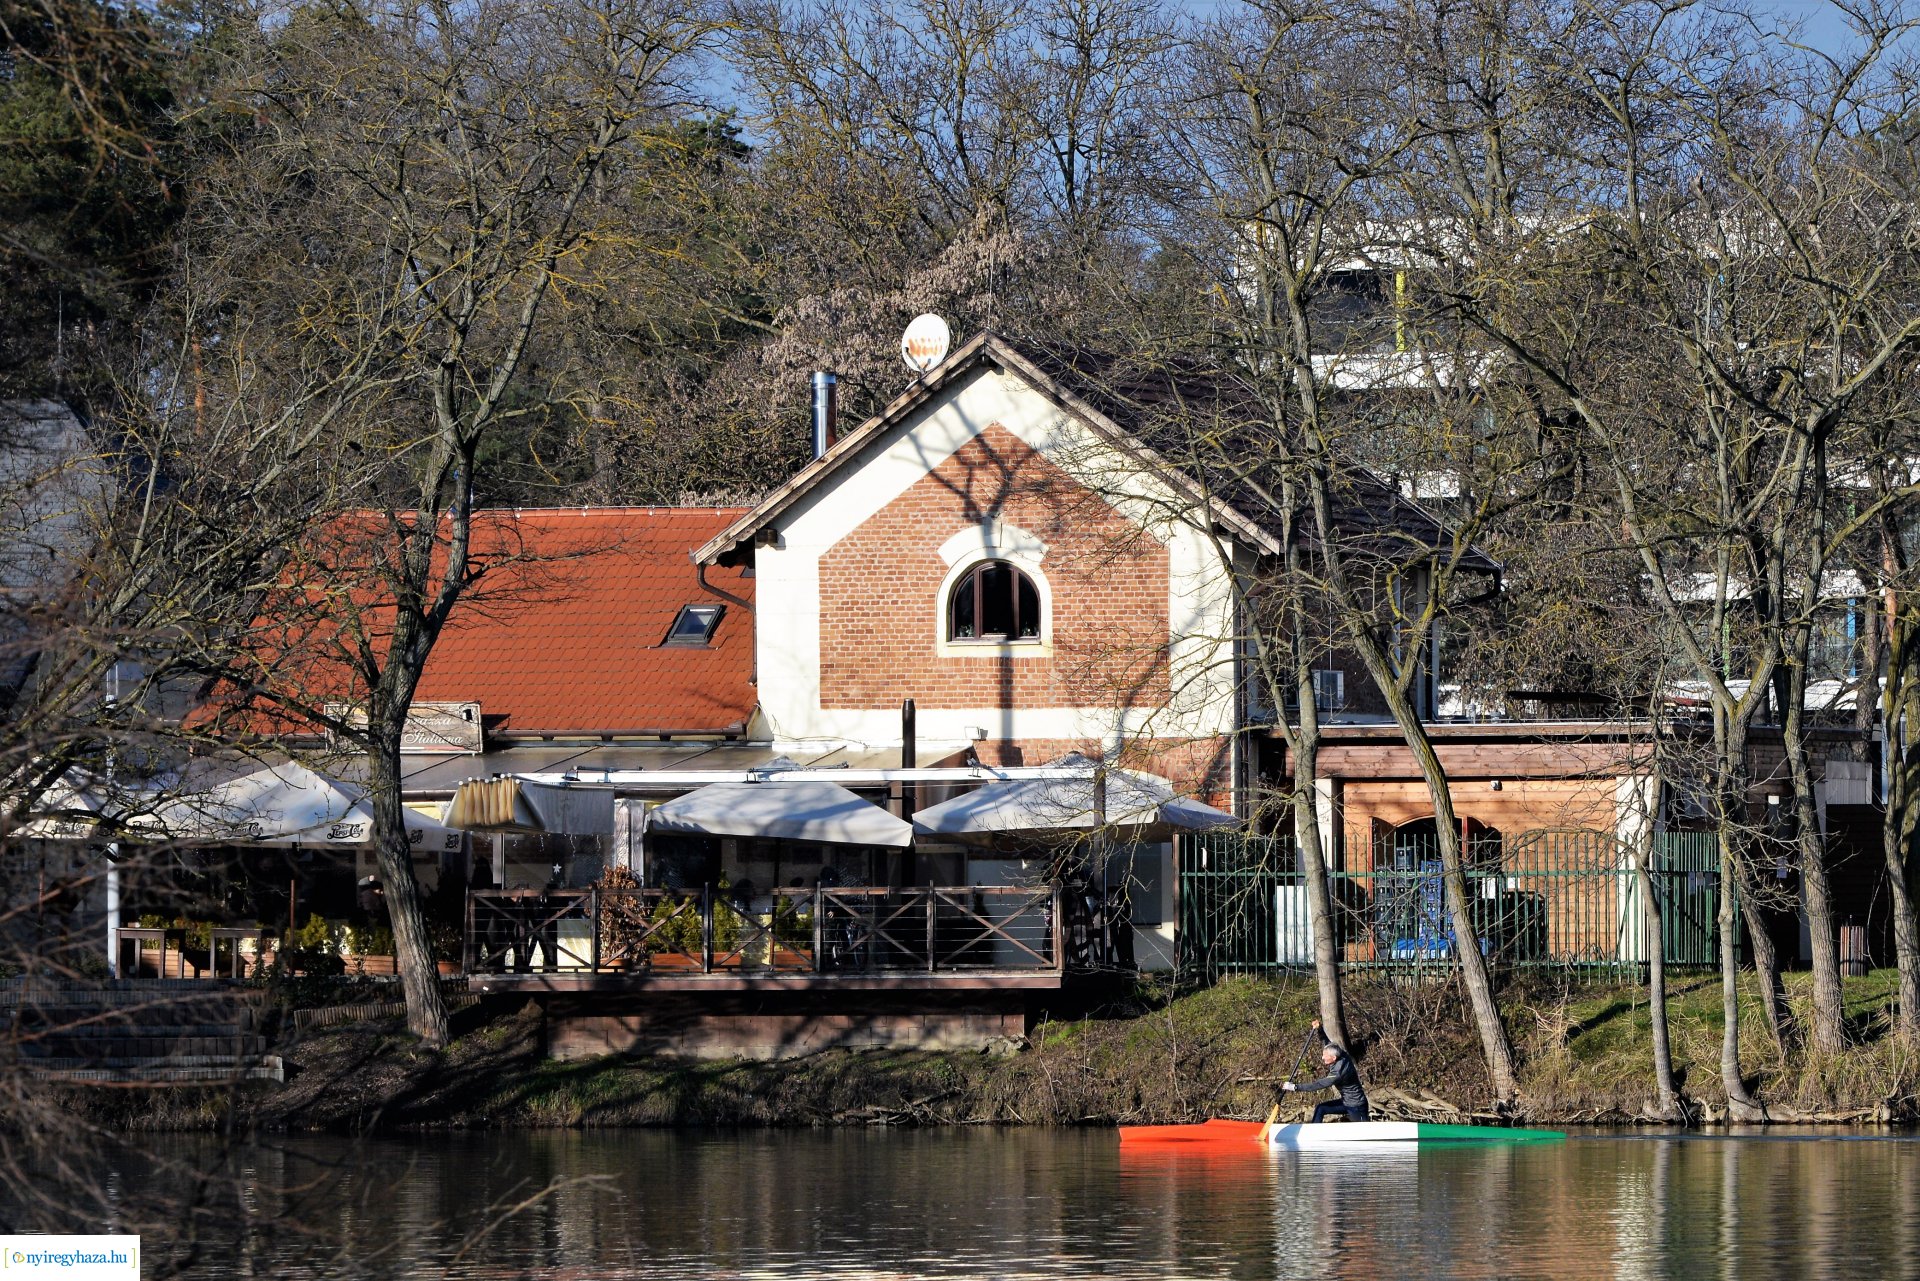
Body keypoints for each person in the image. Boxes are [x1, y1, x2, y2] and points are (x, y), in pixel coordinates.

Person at [1281, 1019, 1370, 1123]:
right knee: (1321, 1108)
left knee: (1361, 1131)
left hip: (1357, 1106)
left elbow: (1318, 1085)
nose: (1322, 1057)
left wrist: (1295, 1087)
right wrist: (1319, 1029)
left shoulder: (1338, 1073)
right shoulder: (1340, 1053)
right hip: (1346, 1102)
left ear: (1333, 1058)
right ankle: (1314, 1133)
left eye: (1325, 1056)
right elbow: (1327, 1043)